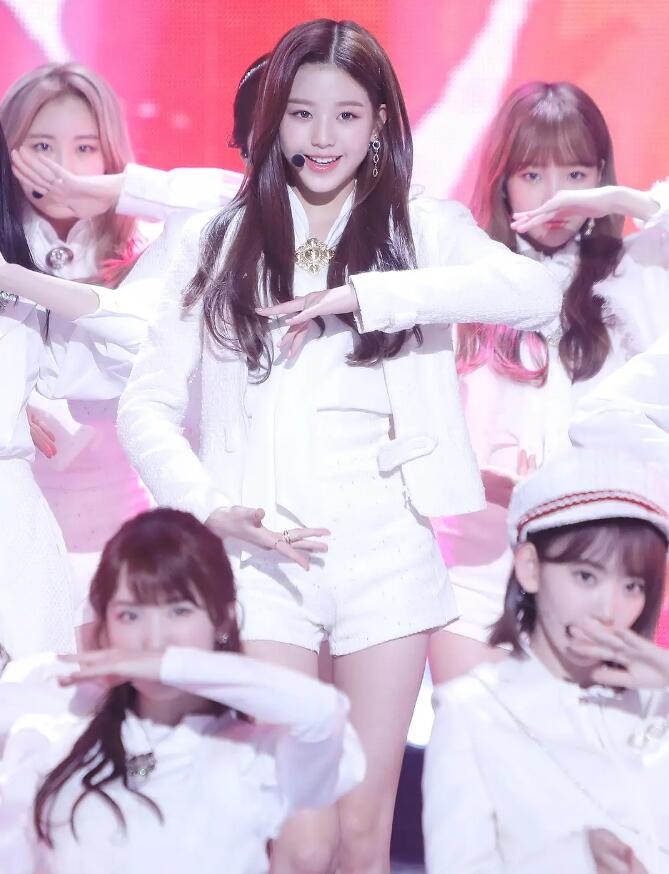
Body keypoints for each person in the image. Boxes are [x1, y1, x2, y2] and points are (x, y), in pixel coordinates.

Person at [117, 18, 561, 874]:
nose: (322, 138)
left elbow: (534, 292)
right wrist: (208, 507)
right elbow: (147, 405)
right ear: (272, 119)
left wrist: (366, 296)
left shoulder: (420, 227)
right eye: (301, 113)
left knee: (361, 836)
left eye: (347, 115)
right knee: (296, 834)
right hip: (263, 556)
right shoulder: (217, 237)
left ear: (380, 121)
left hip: (386, 550)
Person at [426, 81, 669, 683]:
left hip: (594, 570)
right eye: (533, 174)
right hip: (474, 561)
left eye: (576, 174)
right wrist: (470, 475)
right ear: (502, 179)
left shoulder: (633, 275)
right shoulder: (462, 278)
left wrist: (621, 201)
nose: (556, 196)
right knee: (475, 726)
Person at [0, 508, 365, 874]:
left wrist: (171, 665)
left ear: (223, 618)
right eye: (130, 615)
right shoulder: (62, 722)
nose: (154, 638)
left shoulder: (255, 755)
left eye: (179, 611)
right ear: (106, 624)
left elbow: (322, 713)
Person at [423, 447, 669, 874]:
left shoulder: (654, 703)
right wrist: (576, 857)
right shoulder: (472, 713)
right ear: (530, 568)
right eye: (586, 576)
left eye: (632, 586)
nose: (609, 610)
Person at [0, 120, 152, 657]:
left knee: (32, 698)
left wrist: (14, 277)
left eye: (84, 146)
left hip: (15, 530)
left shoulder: (19, 306)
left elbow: (142, 340)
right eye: (41, 146)